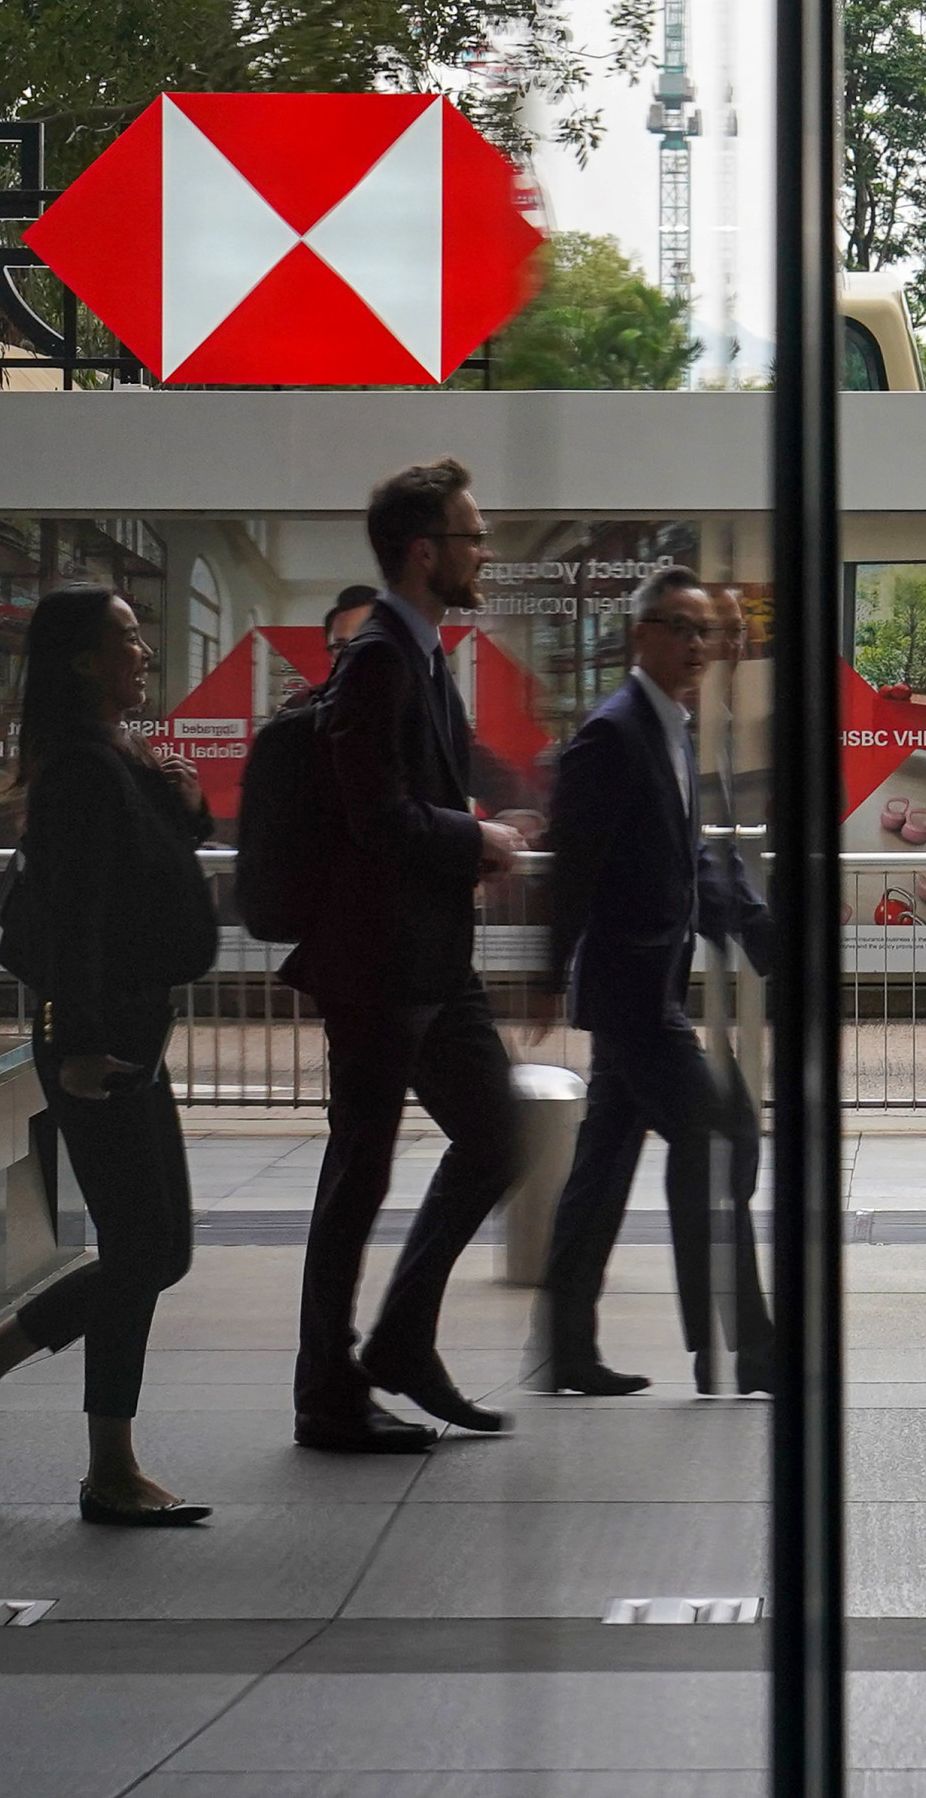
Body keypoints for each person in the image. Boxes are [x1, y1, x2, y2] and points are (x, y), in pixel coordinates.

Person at [0, 586, 217, 1525]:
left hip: (129, 1030)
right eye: (126, 637)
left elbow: (149, 868)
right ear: (83, 659)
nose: (142, 653)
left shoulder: (110, 756)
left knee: (159, 1248)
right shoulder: (81, 767)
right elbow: (78, 915)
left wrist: (181, 800)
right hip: (98, 1037)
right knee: (144, 1248)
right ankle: (95, 1458)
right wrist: (78, 1045)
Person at [284, 458, 530, 1454]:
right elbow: (370, 811)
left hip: (432, 956)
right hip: (380, 967)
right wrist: (477, 842)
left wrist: (478, 830)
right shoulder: (382, 654)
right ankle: (327, 1394)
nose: (484, 553)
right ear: (427, 551)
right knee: (359, 1175)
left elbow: (411, 796)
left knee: (499, 1133)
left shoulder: (422, 651)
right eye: (472, 537)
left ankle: (396, 1342)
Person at [535, 567, 775, 1397]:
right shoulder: (613, 730)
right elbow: (574, 864)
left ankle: (565, 1348)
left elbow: (690, 853)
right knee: (726, 1133)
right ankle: (750, 1346)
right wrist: (546, 969)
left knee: (600, 1171)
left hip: (648, 983)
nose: (696, 644)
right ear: (640, 635)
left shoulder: (668, 725)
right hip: (632, 989)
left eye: (703, 631)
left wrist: (749, 923)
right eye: (678, 627)